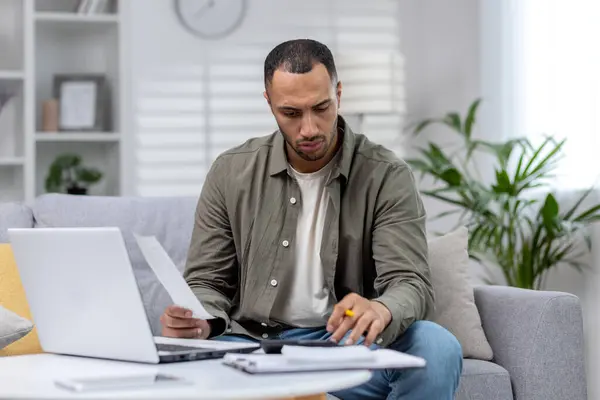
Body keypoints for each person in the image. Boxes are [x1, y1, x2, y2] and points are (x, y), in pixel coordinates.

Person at [160, 38, 462, 399]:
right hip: (253, 344)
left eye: (321, 108)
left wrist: (380, 308)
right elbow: (207, 280)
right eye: (291, 113)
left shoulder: (386, 175)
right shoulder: (231, 172)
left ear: (338, 94)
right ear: (269, 103)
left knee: (437, 346)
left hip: (343, 347)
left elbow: (410, 282)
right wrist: (199, 321)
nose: (310, 129)